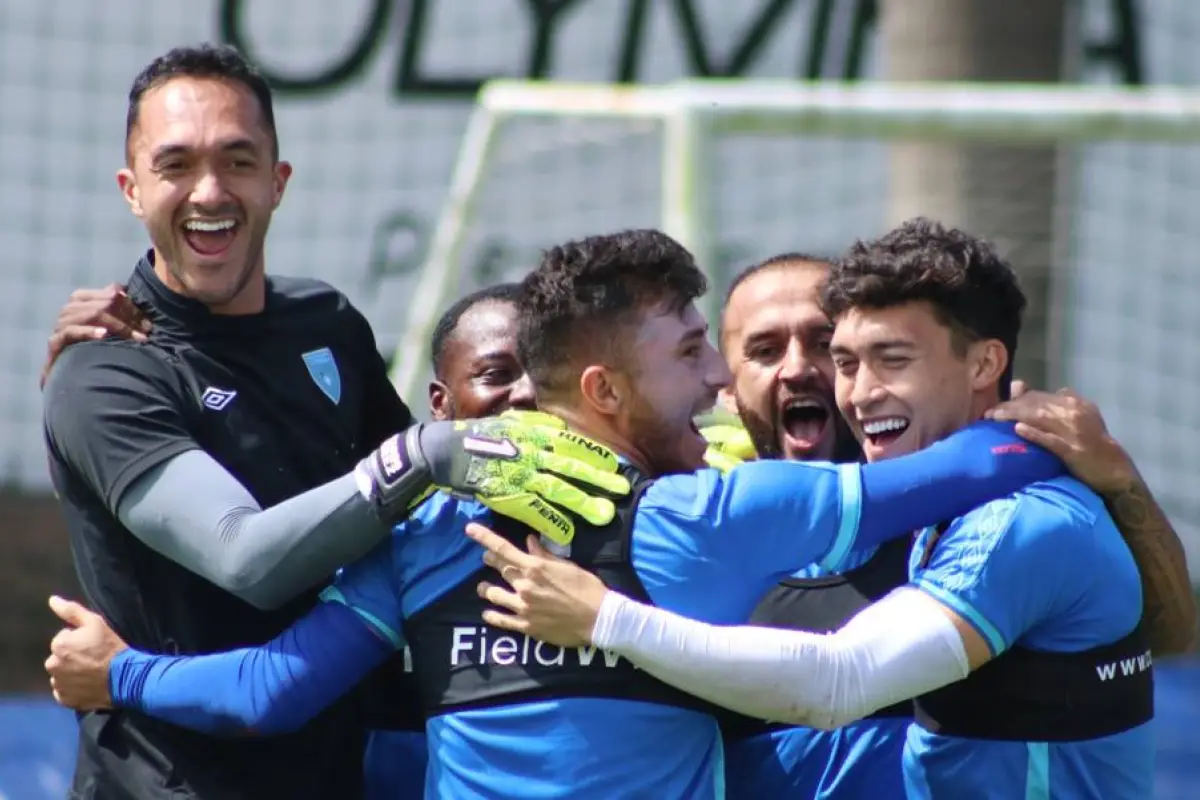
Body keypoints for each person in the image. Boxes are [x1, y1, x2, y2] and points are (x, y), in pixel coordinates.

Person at [45, 227, 1067, 799]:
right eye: (689, 353)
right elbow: (966, 466)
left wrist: (120, 670)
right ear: (604, 390)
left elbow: (272, 690)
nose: (717, 379)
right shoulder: (710, 512)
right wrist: (1054, 431)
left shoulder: (430, 535)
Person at [39, 44, 625, 800]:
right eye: (176, 165)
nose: (209, 192)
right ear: (132, 188)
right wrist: (425, 455)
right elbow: (247, 559)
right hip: (171, 780)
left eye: (238, 161)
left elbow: (434, 509)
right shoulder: (106, 372)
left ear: (278, 183)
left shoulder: (327, 323)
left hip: (340, 768)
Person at [470, 219, 1170, 799]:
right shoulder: (722, 504)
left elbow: (838, 680)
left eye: (891, 359)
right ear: (729, 378)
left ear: (984, 366)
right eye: (846, 361)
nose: (855, 390)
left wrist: (606, 620)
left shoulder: (1013, 515)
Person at [710, 252, 1197, 798]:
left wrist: (1120, 481)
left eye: (823, 345)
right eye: (765, 350)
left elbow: (1166, 633)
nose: (798, 367)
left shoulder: (996, 483)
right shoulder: (701, 523)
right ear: (726, 387)